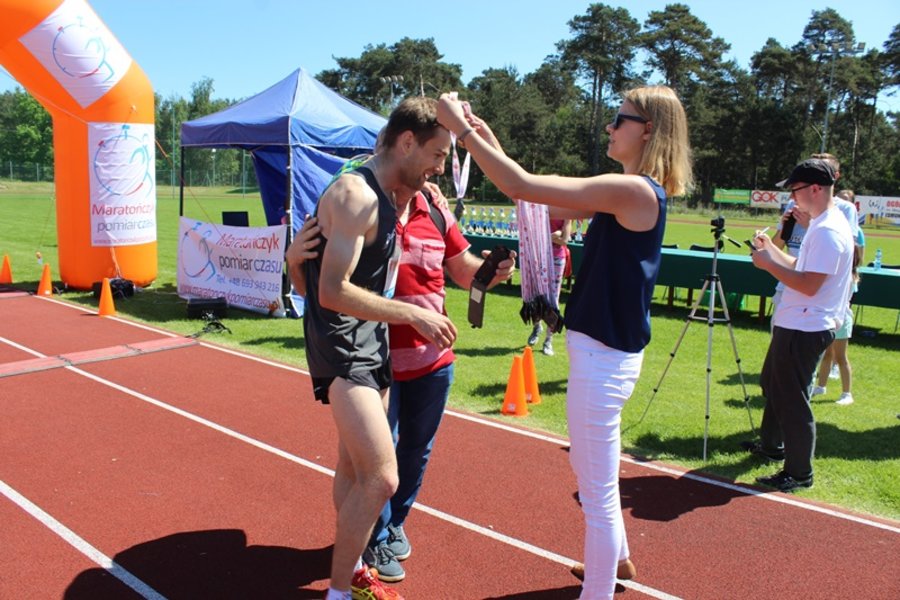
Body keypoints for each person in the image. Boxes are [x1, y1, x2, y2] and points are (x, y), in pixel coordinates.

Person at [438, 86, 692, 600]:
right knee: (594, 470)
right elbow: (528, 187)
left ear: (648, 130)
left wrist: (463, 133)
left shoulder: (636, 191)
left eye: (619, 119)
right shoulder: (630, 188)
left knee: (596, 490)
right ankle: (619, 562)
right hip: (602, 355)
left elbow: (525, 185)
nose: (609, 127)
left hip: (603, 360)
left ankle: (597, 592)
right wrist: (484, 137)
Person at [289, 178, 515, 584]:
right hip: (371, 360)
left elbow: (465, 272)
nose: (431, 172)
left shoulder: (435, 209)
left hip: (432, 359)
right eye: (431, 158)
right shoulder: (364, 205)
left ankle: (393, 525)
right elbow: (317, 287)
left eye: (438, 164)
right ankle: (370, 542)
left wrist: (493, 271)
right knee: (369, 467)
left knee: (415, 451)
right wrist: (292, 260)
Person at [289, 97, 458, 600]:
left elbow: (308, 276)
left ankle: (356, 566)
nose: (441, 169)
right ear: (406, 142)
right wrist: (413, 313)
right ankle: (341, 592)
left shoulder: (393, 194)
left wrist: (292, 261)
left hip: (370, 341)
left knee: (355, 468)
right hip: (342, 345)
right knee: (383, 477)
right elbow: (328, 292)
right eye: (438, 154)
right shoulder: (355, 195)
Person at [743, 158, 854, 493]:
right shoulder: (821, 226)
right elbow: (802, 268)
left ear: (815, 189)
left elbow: (808, 284)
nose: (792, 197)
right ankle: (777, 451)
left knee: (792, 399)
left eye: (796, 189)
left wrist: (767, 264)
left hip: (806, 325)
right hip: (800, 321)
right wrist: (770, 255)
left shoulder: (828, 230)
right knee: (779, 390)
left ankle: (798, 471)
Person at [811, 241, 862, 405]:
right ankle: (821, 386)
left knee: (841, 357)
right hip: (830, 318)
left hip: (841, 318)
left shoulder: (850, 276)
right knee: (827, 354)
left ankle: (847, 393)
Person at [526, 218, 572, 355]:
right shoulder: (541, 209)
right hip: (538, 256)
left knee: (553, 300)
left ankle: (548, 340)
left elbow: (565, 240)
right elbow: (533, 235)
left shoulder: (566, 213)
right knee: (535, 296)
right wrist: (555, 234)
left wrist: (546, 236)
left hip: (557, 258)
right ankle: (536, 327)